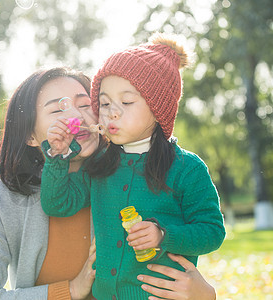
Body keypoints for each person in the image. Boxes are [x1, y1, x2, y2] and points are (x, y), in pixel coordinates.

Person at [0, 67, 217, 299]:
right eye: (57, 109)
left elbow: (199, 234)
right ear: (29, 135)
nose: (77, 117)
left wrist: (205, 296)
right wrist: (69, 290)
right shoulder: (8, 197)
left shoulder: (132, 173)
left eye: (85, 105)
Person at [40, 33, 225, 299]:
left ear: (158, 109)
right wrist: (58, 156)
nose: (112, 112)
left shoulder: (187, 168)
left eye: (126, 102)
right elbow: (57, 204)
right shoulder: (100, 165)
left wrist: (163, 235)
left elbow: (212, 232)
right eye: (104, 103)